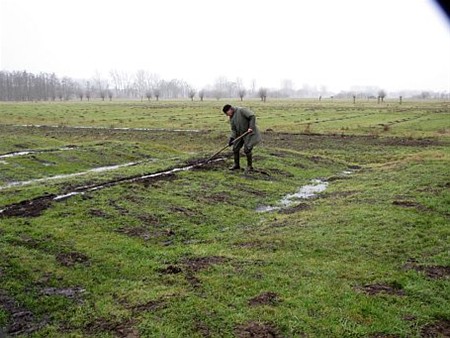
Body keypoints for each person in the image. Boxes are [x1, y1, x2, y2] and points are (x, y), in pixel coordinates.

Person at [222, 104, 262, 171]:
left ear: (230, 109)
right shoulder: (231, 118)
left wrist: (250, 127)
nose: (227, 115)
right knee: (235, 148)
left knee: (247, 149)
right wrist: (231, 139)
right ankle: (236, 165)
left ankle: (249, 166)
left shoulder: (241, 110)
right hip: (240, 134)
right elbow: (234, 129)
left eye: (227, 113)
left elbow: (252, 116)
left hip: (249, 133)